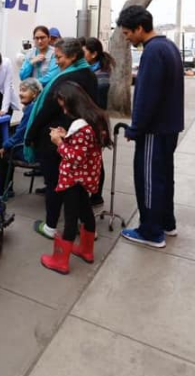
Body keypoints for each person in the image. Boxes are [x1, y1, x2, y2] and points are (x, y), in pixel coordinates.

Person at [116, 6, 184, 248]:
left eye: (127, 33)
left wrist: (136, 128)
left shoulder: (152, 52)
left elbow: (146, 96)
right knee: (164, 178)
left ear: (139, 28)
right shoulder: (169, 47)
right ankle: (167, 223)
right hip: (169, 127)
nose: (127, 38)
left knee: (149, 180)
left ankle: (151, 232)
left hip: (155, 130)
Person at [24, 37, 98, 240]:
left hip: (57, 140)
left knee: (55, 185)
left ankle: (50, 226)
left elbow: (47, 109)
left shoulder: (68, 78)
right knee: (76, 190)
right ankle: (85, 229)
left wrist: (29, 135)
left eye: (59, 57)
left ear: (73, 56)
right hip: (74, 138)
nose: (56, 61)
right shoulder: (88, 74)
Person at [40, 82, 111, 274]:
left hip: (74, 178)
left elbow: (75, 157)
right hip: (85, 178)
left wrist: (59, 142)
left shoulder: (82, 128)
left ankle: (60, 260)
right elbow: (85, 148)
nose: (63, 109)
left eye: (64, 105)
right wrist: (67, 136)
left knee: (70, 219)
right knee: (86, 212)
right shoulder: (94, 120)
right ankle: (86, 251)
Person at [0, 77, 42, 198]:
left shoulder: (31, 109)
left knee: (1, 154)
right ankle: (7, 188)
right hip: (39, 148)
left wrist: (5, 146)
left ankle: (0, 192)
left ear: (35, 93)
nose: (20, 93)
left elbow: (20, 134)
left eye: (24, 90)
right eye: (20, 90)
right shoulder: (37, 106)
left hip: (33, 152)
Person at [82, 37, 115, 207]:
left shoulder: (100, 77)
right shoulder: (91, 71)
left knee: (95, 159)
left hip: (95, 123)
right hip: (90, 121)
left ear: (94, 54)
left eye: (84, 52)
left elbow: (97, 105)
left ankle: (96, 195)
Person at [82, 37, 115, 110]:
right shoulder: (88, 70)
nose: (81, 56)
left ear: (94, 54)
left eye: (83, 53)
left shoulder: (102, 76)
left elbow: (100, 104)